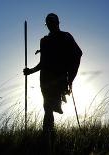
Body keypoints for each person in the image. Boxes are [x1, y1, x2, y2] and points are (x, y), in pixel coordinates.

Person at [23, 13, 82, 146]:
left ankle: (48, 137)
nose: (50, 25)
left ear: (57, 22)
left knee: (49, 107)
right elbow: (43, 62)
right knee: (47, 107)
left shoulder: (66, 37)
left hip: (59, 78)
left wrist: (69, 78)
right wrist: (30, 71)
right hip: (45, 80)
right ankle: (49, 137)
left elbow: (77, 54)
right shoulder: (44, 40)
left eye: (52, 22)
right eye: (48, 23)